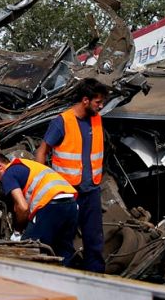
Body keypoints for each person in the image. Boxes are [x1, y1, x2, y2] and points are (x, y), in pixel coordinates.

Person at [34, 78, 109, 273]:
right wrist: (40, 185)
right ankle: (65, 279)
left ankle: (96, 279)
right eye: (97, 102)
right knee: (64, 241)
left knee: (94, 240)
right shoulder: (62, 121)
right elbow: (42, 151)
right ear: (85, 100)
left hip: (91, 191)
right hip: (68, 193)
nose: (101, 106)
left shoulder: (97, 120)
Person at [0, 152, 78, 264]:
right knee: (63, 251)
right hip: (71, 204)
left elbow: (23, 208)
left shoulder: (8, 174)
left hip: (52, 205)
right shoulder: (26, 165)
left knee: (28, 250)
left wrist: (17, 232)